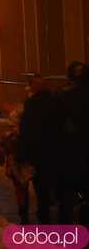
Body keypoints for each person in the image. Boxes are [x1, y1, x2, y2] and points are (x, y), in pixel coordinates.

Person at [17, 75, 58, 224]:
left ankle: (40, 217)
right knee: (46, 186)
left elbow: (26, 129)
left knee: (37, 185)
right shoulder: (55, 102)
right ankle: (46, 214)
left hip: (35, 151)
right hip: (52, 150)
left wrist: (22, 152)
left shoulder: (31, 104)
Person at [57, 62, 89, 224]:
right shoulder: (67, 96)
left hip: (71, 152)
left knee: (70, 192)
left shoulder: (64, 96)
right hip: (79, 150)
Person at [0, 107, 33, 224]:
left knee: (19, 191)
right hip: (26, 166)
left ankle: (23, 214)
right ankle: (25, 210)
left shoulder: (8, 135)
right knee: (24, 189)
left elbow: (1, 150)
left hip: (14, 166)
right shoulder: (28, 134)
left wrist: (0, 159)